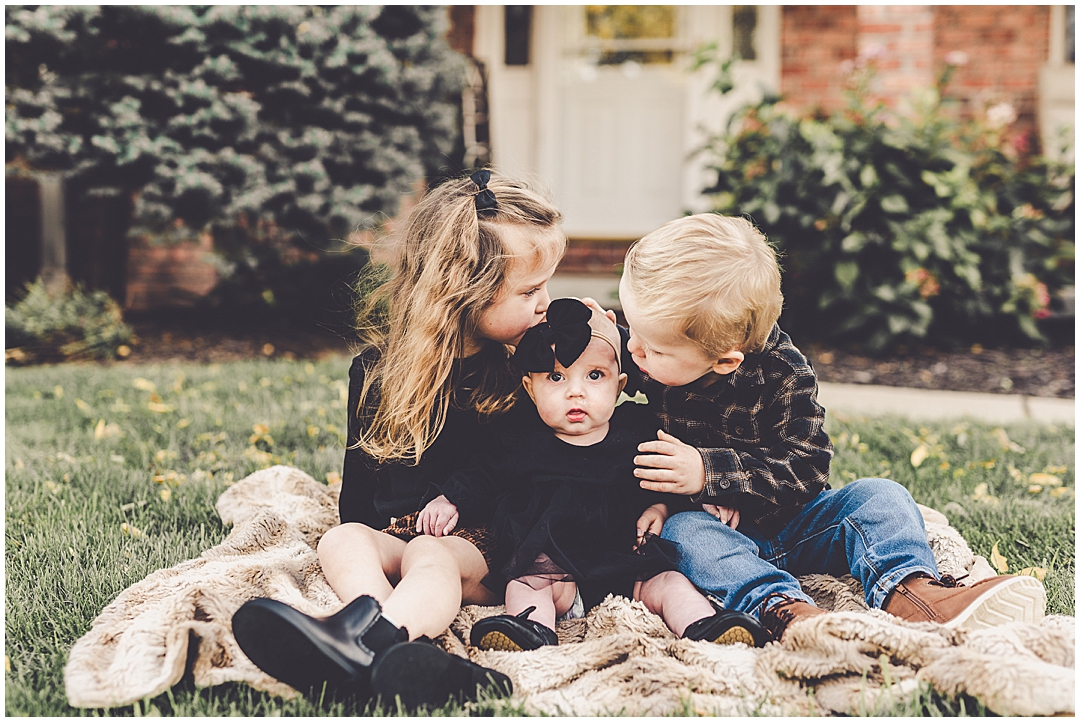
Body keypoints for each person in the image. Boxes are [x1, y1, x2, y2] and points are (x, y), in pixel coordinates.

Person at [615, 213, 1047, 643]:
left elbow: (807, 468)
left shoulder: (783, 374)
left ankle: (915, 597)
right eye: (631, 328)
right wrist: (586, 333)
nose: (633, 348)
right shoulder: (654, 351)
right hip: (716, 533)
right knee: (683, 535)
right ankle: (787, 612)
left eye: (650, 346)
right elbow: (592, 372)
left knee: (881, 496)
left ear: (724, 360)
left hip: (796, 524)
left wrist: (711, 473)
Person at [231, 169, 566, 709]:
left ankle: (373, 643)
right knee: (341, 540)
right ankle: (384, 651)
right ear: (463, 290)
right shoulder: (377, 371)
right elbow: (358, 486)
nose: (546, 302)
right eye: (530, 290)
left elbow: (526, 470)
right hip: (400, 535)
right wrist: (362, 532)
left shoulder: (524, 374)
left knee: (429, 553)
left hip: (483, 547)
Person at [416, 298, 768, 651]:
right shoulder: (519, 438)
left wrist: (663, 507)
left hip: (628, 564)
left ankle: (702, 625)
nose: (576, 391)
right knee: (524, 584)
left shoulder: (638, 430)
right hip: (553, 572)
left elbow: (670, 475)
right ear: (529, 388)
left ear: (619, 385)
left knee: (671, 582)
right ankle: (532, 631)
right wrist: (451, 499)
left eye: (595, 376)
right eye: (556, 377)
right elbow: (482, 474)